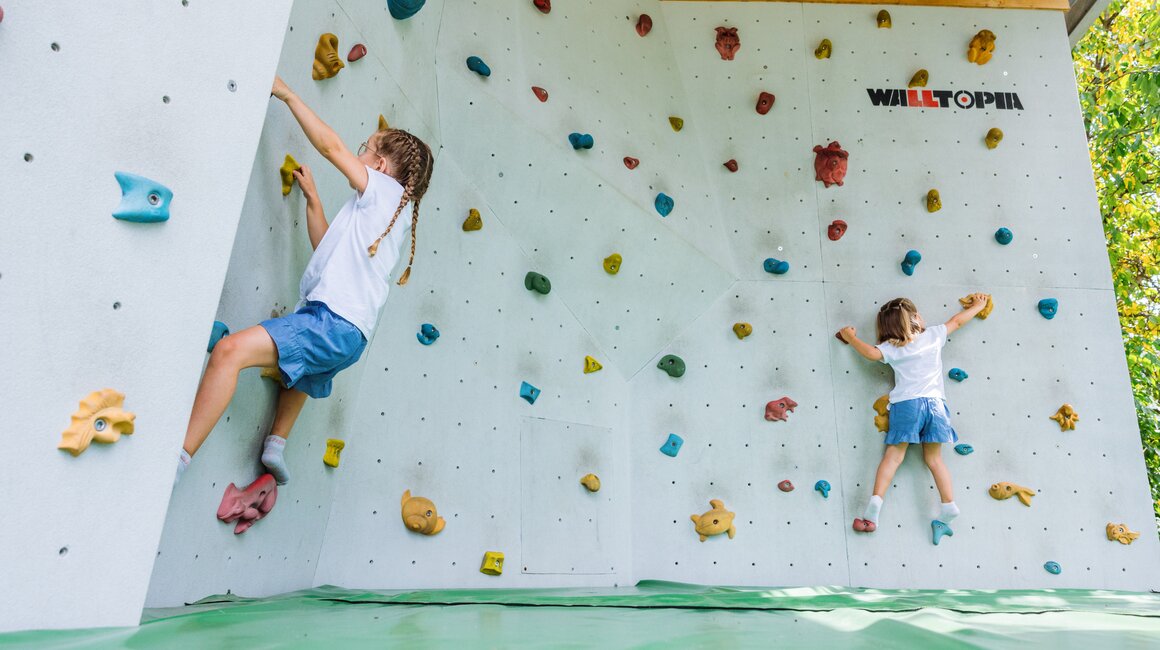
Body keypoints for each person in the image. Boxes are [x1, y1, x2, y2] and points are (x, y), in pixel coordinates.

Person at [174, 75, 434, 486]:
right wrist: (313, 201)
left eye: (365, 148)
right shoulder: (390, 216)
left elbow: (330, 146)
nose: (359, 152)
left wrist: (289, 95)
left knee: (228, 352)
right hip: (351, 336)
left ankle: (179, 456)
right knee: (305, 372)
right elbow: (327, 249)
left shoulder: (382, 189)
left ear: (381, 166)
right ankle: (276, 443)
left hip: (329, 321)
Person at [838, 294, 990, 533]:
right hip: (936, 406)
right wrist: (979, 306)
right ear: (916, 318)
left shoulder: (892, 348)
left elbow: (870, 353)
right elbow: (958, 321)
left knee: (893, 457)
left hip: (907, 405)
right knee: (934, 459)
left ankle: (874, 506)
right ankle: (948, 504)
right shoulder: (933, 335)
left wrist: (850, 337)